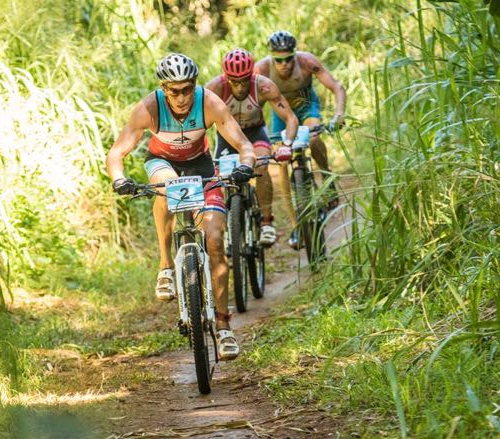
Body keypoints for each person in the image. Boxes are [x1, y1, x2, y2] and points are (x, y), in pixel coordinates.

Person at [106, 53, 256, 360]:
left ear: (195, 85)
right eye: (174, 91)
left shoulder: (210, 102)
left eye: (187, 89)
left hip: (201, 166)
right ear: (163, 88)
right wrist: (119, 179)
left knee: (215, 239)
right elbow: (117, 153)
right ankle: (165, 268)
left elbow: (244, 144)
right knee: (165, 185)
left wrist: (246, 165)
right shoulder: (148, 108)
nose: (182, 97)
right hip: (163, 162)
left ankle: (225, 327)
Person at [255, 30, 347, 249]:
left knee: (313, 137)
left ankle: (326, 178)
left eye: (288, 58)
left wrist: (339, 114)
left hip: (307, 109)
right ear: (271, 57)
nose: (284, 64)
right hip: (282, 117)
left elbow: (336, 86)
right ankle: (297, 225)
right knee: (282, 162)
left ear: (294, 55)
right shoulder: (262, 69)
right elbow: (253, 103)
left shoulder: (306, 62)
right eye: (279, 59)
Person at [206, 48, 298, 246]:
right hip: (227, 139)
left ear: (252, 75)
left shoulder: (264, 86)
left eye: (244, 80)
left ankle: (266, 222)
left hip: (255, 134)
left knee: (262, 166)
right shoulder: (214, 88)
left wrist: (287, 144)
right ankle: (229, 224)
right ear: (226, 77)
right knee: (219, 179)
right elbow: (197, 122)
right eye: (234, 81)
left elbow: (290, 118)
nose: (239, 87)